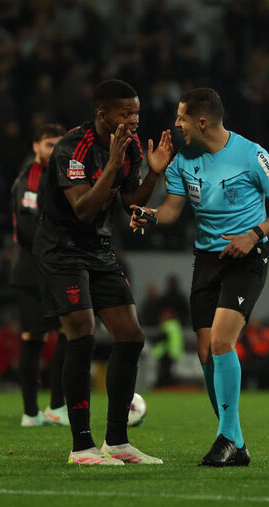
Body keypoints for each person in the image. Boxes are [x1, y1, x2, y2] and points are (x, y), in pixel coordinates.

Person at [131, 87, 269, 467]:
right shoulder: (181, 160)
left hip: (246, 257)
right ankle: (235, 441)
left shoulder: (252, 154)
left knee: (223, 343)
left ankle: (226, 437)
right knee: (206, 352)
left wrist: (254, 233)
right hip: (207, 260)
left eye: (181, 118)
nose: (176, 125)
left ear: (201, 121)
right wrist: (151, 213)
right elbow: (173, 210)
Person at [33, 79, 173, 466]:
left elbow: (129, 202)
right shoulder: (71, 149)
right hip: (62, 250)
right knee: (82, 334)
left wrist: (154, 174)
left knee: (130, 336)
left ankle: (118, 441)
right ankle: (81, 447)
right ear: (102, 115)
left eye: (137, 112)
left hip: (97, 248)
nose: (133, 119)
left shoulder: (127, 148)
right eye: (125, 112)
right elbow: (83, 209)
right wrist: (112, 163)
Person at [10, 123, 68, 427]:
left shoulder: (54, 176)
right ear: (35, 147)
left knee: (68, 333)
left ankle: (51, 408)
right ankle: (34, 412)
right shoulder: (32, 178)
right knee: (35, 339)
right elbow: (28, 228)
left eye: (58, 144)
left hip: (51, 268)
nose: (53, 150)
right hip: (34, 272)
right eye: (48, 144)